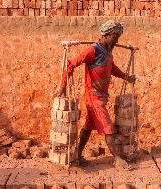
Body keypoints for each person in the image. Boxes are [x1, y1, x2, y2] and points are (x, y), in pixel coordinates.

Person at [57, 20, 136, 169]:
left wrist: (127, 77)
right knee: (108, 127)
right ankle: (117, 158)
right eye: (114, 37)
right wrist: (62, 86)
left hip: (101, 97)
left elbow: (112, 68)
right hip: (94, 98)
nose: (116, 40)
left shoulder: (108, 51)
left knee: (87, 128)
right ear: (105, 35)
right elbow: (71, 64)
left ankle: (77, 156)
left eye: (118, 37)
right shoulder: (92, 50)